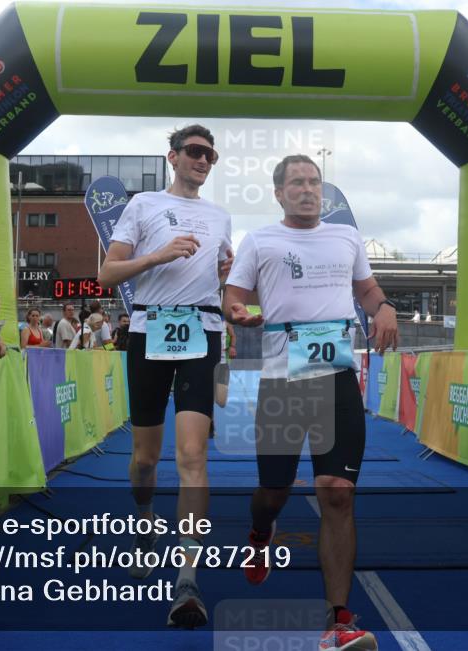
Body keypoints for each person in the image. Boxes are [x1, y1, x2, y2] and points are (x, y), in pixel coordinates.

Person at [223, 154, 398, 651]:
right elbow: (233, 294)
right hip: (282, 381)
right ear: (278, 193)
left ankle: (339, 620)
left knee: (337, 492)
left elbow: (366, 289)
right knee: (273, 492)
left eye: (314, 181)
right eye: (296, 182)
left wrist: (383, 307)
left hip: (336, 378)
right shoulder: (260, 240)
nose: (307, 189)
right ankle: (261, 531)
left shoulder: (345, 237)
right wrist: (237, 311)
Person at [98, 124, 232, 629]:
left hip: (203, 329)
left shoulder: (221, 216)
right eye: (195, 152)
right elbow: (107, 274)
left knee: (194, 455)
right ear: (172, 157)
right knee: (144, 459)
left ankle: (188, 579)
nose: (203, 161)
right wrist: (158, 254)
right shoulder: (143, 205)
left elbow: (220, 272)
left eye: (210, 156)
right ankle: (144, 517)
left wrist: (225, 273)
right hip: (151, 329)